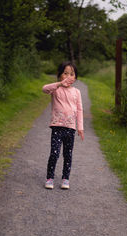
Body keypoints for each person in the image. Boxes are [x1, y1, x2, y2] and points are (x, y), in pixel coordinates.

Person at [42, 61, 84, 190]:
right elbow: (44, 89)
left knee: (68, 154)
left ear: (75, 77)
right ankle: (50, 178)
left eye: (71, 74)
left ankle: (66, 178)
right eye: (65, 73)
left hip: (70, 128)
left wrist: (80, 127)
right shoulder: (56, 89)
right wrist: (60, 84)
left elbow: (79, 110)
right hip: (57, 126)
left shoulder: (76, 92)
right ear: (59, 75)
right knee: (54, 153)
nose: (68, 77)